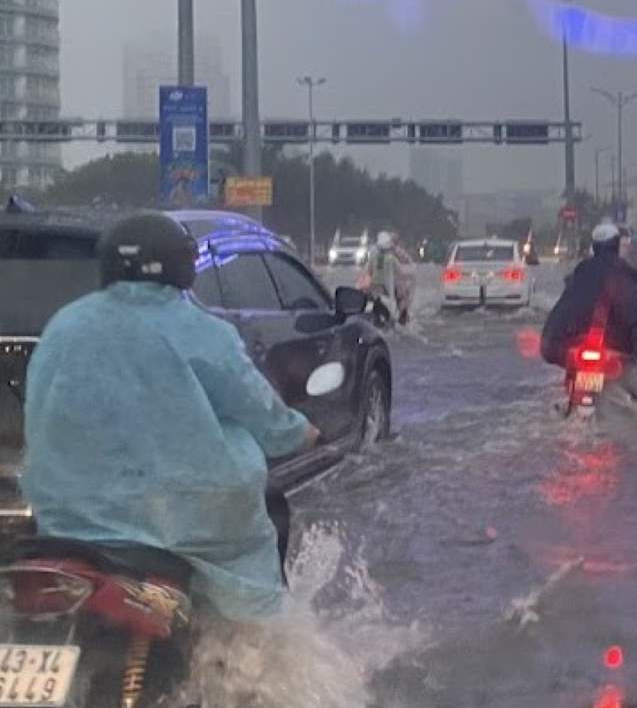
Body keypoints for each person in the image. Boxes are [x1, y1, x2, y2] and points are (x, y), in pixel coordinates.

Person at [21, 211, 317, 620]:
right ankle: (250, 663)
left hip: (68, 523)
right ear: (183, 267)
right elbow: (261, 412)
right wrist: (300, 433)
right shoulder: (203, 331)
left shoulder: (63, 325)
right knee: (254, 600)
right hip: (187, 524)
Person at [541, 220, 637, 403]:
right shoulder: (624, 273)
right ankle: (635, 402)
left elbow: (561, 312)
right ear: (616, 245)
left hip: (587, 346)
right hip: (613, 348)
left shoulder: (582, 273)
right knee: (635, 393)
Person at [365, 230, 410, 326]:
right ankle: (402, 318)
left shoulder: (373, 256)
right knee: (402, 298)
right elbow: (401, 272)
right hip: (388, 289)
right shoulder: (391, 258)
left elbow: (367, 272)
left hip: (376, 289)